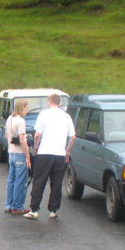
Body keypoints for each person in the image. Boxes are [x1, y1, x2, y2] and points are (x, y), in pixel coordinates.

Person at [24, 92, 75, 220]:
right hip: (59, 154)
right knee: (56, 183)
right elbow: (73, 137)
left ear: (50, 102)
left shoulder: (44, 114)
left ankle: (34, 209)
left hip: (44, 152)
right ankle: (53, 210)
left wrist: (36, 147)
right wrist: (67, 151)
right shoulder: (66, 116)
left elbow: (37, 135)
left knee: (39, 181)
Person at [4, 99, 31, 214]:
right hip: (20, 154)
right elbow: (22, 140)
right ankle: (18, 206)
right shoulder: (21, 121)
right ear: (22, 108)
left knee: (11, 180)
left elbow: (6, 135)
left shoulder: (9, 119)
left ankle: (8, 204)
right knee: (20, 181)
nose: (27, 109)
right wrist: (28, 155)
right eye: (27, 107)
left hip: (11, 153)